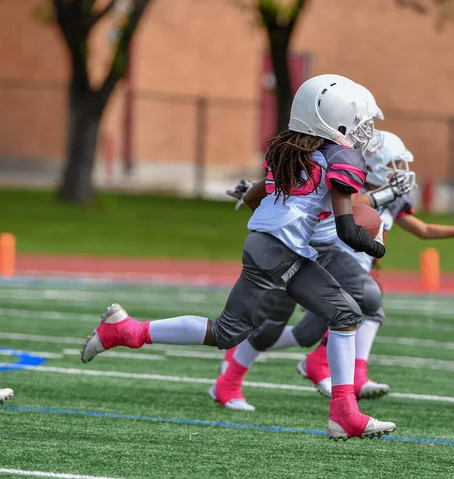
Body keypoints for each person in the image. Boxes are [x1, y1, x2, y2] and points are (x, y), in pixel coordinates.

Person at [81, 74, 396, 441]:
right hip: (277, 254)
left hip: (277, 250)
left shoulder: (295, 152)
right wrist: (375, 246)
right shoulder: (340, 157)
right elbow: (347, 229)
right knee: (227, 332)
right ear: (332, 117)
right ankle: (127, 331)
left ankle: (344, 413)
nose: (362, 128)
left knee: (344, 314)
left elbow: (255, 196)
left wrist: (274, 230)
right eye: (357, 119)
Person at [215, 130, 454, 408]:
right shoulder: (346, 175)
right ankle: (233, 378)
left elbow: (419, 228)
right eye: (392, 166)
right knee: (273, 328)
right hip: (302, 250)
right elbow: (345, 203)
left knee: (353, 310)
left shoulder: (391, 195)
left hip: (332, 259)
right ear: (373, 164)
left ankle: (337, 374)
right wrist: (383, 195)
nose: (398, 173)